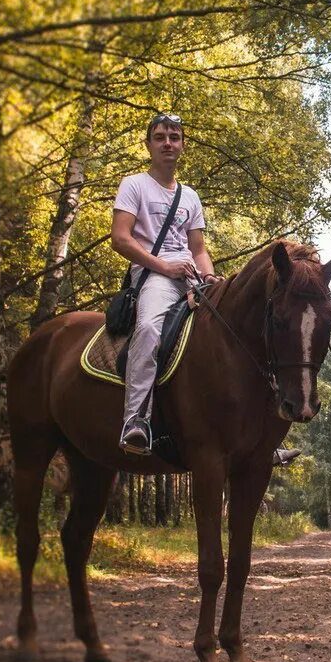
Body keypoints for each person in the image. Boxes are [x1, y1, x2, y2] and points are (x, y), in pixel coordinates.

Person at [112, 113, 216, 455]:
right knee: (148, 330)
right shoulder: (134, 185)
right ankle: (136, 420)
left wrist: (211, 279)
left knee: (239, 324)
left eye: (174, 136)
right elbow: (121, 239)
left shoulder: (191, 196)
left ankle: (253, 434)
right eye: (160, 137)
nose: (168, 142)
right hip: (154, 274)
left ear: (183, 145)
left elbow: (198, 250)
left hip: (191, 276)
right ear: (149, 145)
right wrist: (165, 267)